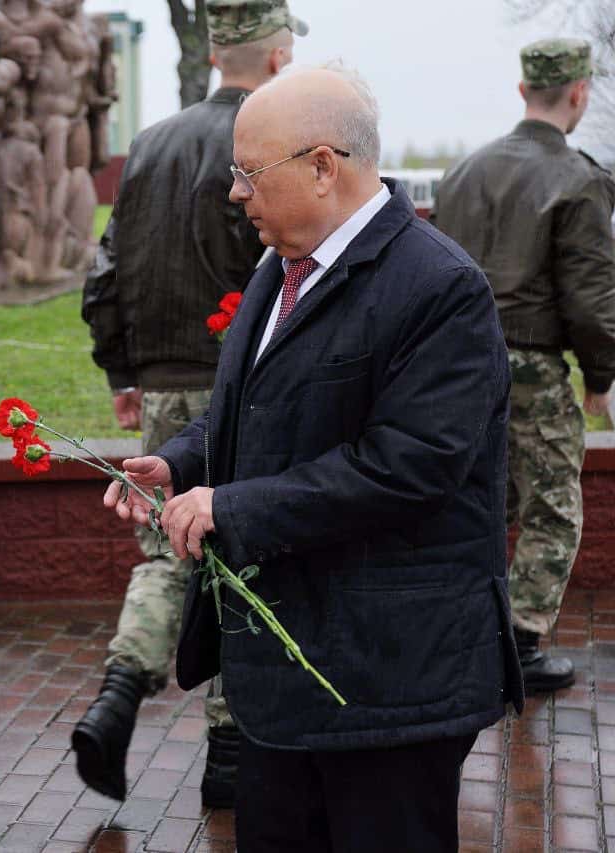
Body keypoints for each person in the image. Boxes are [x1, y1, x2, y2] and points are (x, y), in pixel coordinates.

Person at [105, 64, 524, 852]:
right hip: (287, 688)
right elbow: (254, 409)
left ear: (323, 166)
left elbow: (409, 465)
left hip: (389, 687)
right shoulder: (277, 269)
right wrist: (183, 462)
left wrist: (232, 507)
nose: (235, 193)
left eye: (249, 172)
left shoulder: (440, 289)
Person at [76, 0, 305, 807]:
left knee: (162, 553)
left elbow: (104, 271)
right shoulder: (268, 146)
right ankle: (230, 749)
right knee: (239, 550)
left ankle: (117, 692)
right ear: (278, 61)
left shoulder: (150, 143)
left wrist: (120, 371)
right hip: (246, 386)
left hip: (165, 385)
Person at [432, 38, 615, 692]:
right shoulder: (579, 178)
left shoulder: (463, 172)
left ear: (522, 92)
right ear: (579, 93)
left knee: (476, 498)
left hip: (458, 363)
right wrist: (599, 374)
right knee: (552, 506)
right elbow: (592, 298)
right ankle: (523, 642)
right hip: (533, 369)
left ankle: (453, 625)